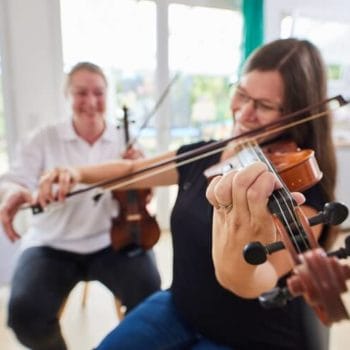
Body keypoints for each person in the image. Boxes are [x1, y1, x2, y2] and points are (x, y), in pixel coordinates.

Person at [37, 39, 336, 349]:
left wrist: (234, 247)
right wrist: (75, 174)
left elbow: (256, 281)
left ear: (295, 113)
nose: (244, 112)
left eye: (263, 105)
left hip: (249, 335)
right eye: (242, 94)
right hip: (180, 307)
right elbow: (131, 172)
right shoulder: (202, 154)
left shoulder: (302, 192)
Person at [0, 62, 161, 350]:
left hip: (113, 240)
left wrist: (138, 172)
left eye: (98, 93)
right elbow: (12, 180)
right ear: (67, 96)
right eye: (81, 93)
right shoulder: (44, 139)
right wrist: (15, 191)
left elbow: (146, 195)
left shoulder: (124, 142)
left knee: (151, 300)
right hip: (51, 244)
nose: (90, 102)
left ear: (107, 95)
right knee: (24, 315)